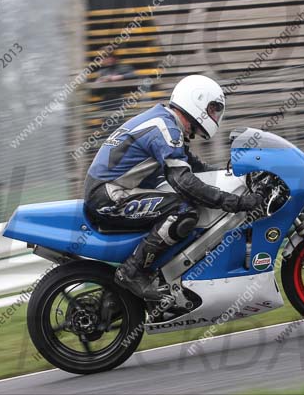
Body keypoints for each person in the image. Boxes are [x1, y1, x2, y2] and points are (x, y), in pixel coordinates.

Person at [84, 75, 263, 301]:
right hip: (108, 196)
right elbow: (183, 181)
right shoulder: (164, 128)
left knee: (185, 200)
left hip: (113, 190)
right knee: (184, 211)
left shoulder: (165, 122)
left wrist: (235, 174)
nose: (215, 115)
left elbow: (195, 166)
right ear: (196, 101)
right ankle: (132, 271)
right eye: (213, 108)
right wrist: (234, 202)